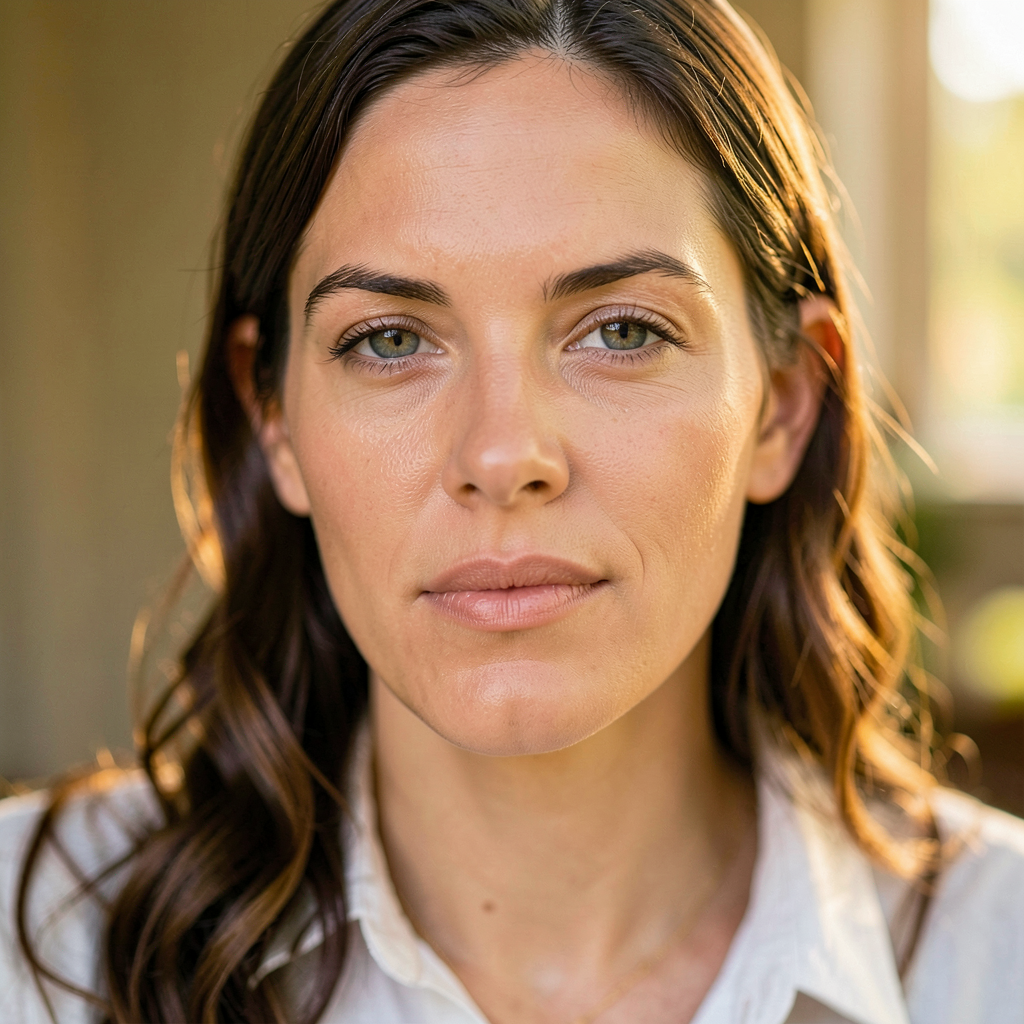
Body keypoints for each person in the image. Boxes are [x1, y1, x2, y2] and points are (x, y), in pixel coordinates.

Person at [2, 0, 1022, 1021]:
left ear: (785, 403)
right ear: (273, 418)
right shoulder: (28, 946)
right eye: (390, 340)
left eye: (621, 331)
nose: (500, 457)